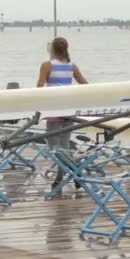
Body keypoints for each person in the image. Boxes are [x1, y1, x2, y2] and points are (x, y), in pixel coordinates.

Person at [36, 37, 88, 191]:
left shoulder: (47, 65)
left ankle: (73, 173)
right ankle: (70, 175)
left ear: (52, 49)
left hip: (53, 111)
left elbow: (38, 87)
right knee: (64, 148)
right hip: (68, 110)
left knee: (55, 148)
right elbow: (85, 85)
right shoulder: (72, 66)